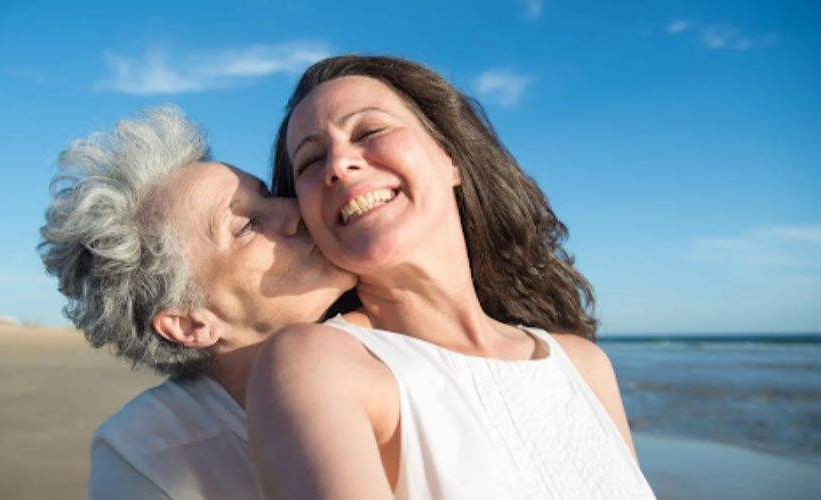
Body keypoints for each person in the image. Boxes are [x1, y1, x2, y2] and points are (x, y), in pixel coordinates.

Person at [248, 55, 656, 499]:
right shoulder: (322, 363)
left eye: (369, 131)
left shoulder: (583, 365)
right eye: (310, 162)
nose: (338, 164)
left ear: (450, 160)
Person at [39, 106, 355, 499]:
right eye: (245, 226)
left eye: (269, 195)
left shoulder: (400, 340)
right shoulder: (145, 460)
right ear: (190, 324)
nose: (295, 210)